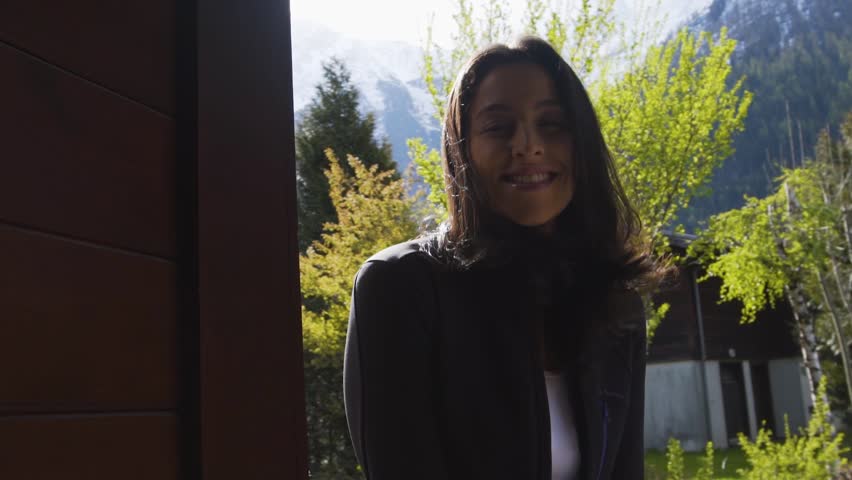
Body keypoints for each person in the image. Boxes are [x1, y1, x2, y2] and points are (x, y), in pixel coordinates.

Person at [343, 35, 666, 480]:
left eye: (552, 123)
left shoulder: (614, 300)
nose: (528, 145)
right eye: (498, 127)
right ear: (463, 150)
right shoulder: (400, 287)